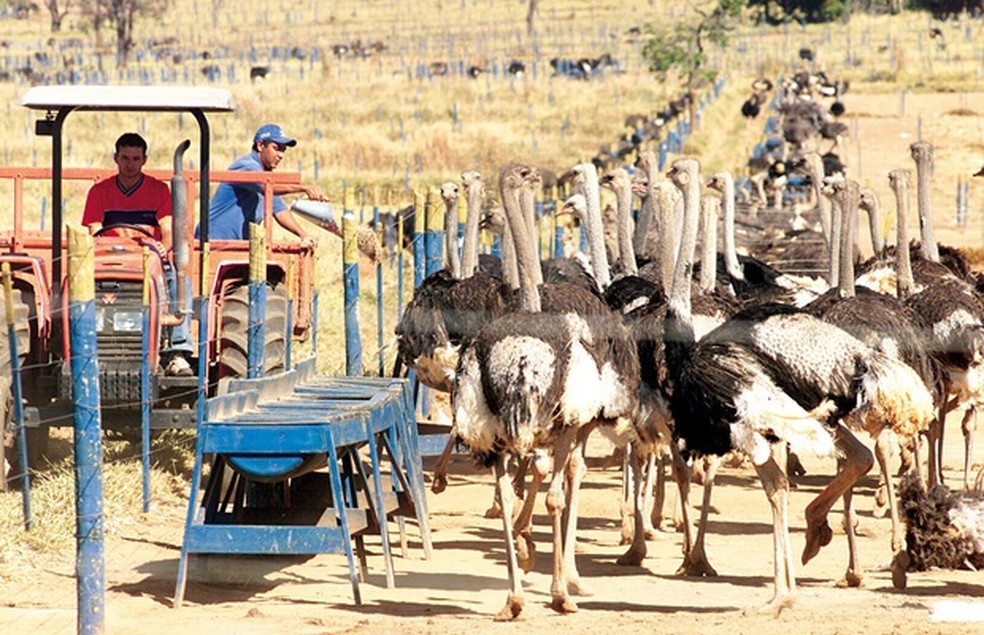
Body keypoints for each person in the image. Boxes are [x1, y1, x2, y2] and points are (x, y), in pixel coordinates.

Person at [84, 132, 193, 377]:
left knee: (179, 279)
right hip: (108, 258)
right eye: (125, 158)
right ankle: (75, 346)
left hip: (147, 257)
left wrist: (162, 247)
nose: (130, 164)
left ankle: (177, 350)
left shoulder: (158, 190)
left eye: (135, 158)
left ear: (144, 160)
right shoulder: (100, 191)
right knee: (74, 282)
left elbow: (167, 229)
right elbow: (94, 231)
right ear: (116, 158)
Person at [202, 123, 327, 247]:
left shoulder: (267, 177)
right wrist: (303, 188)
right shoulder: (247, 166)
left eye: (283, 150)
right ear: (261, 146)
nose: (281, 155)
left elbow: (279, 211)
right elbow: (265, 186)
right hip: (213, 243)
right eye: (276, 148)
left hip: (239, 246)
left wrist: (303, 235)